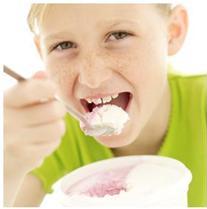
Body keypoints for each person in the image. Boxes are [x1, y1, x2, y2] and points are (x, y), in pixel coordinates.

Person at [4, 4, 207, 207]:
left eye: (119, 35)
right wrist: (8, 166)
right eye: (64, 45)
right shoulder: (48, 131)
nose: (92, 78)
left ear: (173, 32)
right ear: (41, 52)